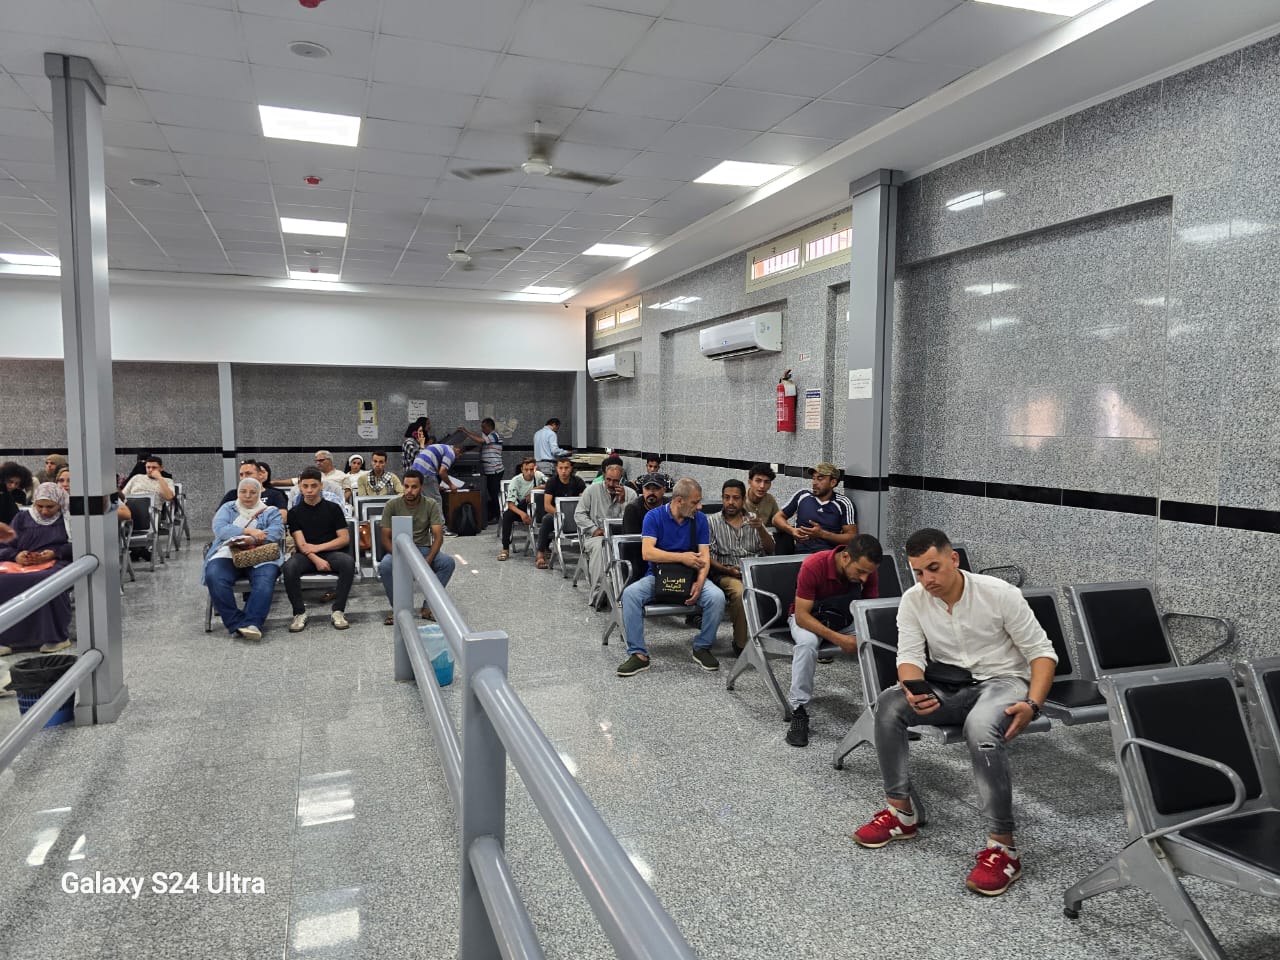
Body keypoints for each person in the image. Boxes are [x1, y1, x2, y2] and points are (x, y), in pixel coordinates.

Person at [851, 528, 1057, 898]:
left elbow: (1042, 654)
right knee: (889, 703)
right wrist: (913, 689)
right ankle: (901, 813)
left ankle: (1004, 848)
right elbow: (909, 657)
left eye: (933, 568)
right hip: (949, 684)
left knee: (981, 728)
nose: (926, 580)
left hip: (1003, 682)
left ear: (953, 559)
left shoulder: (999, 594)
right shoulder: (914, 600)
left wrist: (1032, 704)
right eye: (918, 572)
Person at [616, 478, 725, 678]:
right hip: (658, 576)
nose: (699, 507)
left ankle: (702, 647)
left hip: (691, 577)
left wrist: (700, 583)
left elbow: (704, 557)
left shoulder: (699, 519)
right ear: (679, 500)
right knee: (630, 594)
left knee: (716, 597)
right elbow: (647, 553)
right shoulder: (653, 517)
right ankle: (638, 654)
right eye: (695, 502)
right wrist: (682, 557)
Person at [784, 534, 883, 748]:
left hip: (843, 618)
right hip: (810, 619)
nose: (865, 579)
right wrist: (841, 639)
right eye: (861, 572)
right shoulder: (814, 565)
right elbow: (801, 616)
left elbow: (869, 612)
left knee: (881, 638)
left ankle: (886, 711)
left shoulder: (868, 570)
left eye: (869, 573)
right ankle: (798, 710)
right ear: (846, 557)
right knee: (807, 644)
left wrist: (867, 635)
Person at [203, 477, 285, 641]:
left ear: (259, 493)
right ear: (238, 492)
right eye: (243, 491)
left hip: (261, 554)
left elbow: (276, 532)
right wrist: (248, 531)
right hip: (227, 552)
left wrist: (252, 541)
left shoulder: (270, 511)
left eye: (252, 492)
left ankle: (253, 623)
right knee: (214, 575)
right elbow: (220, 529)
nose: (247, 496)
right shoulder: (228, 508)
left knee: (265, 579)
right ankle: (236, 623)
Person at [0, 483, 74, 654]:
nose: (44, 511)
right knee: (3, 580)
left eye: (50, 507)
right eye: (39, 506)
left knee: (45, 581)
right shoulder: (22, 518)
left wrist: (55, 552)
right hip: (22, 563)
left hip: (58, 562)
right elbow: (5, 545)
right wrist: (16, 555)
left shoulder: (68, 519)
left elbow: (79, 546)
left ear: (59, 504)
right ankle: (4, 637)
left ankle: (55, 637)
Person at [282, 467, 355, 632]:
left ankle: (338, 611)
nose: (309, 490)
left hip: (331, 552)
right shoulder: (294, 512)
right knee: (289, 567)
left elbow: (344, 539)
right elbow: (301, 544)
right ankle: (299, 612)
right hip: (306, 556)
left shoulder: (333, 508)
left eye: (313, 486)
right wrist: (316, 559)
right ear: (300, 487)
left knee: (347, 563)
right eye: (305, 486)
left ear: (321, 486)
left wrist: (318, 548)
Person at [377, 470, 455, 623]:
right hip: (399, 550)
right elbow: (385, 538)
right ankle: (398, 608)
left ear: (421, 487)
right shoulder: (392, 505)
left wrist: (428, 560)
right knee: (385, 566)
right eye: (406, 486)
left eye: (414, 487)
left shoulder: (430, 504)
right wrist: (399, 557)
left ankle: (428, 607)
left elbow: (438, 537)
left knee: (448, 563)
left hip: (422, 549)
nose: (409, 491)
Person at [708, 479, 775, 657]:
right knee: (740, 593)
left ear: (743, 499)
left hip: (753, 573)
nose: (730, 502)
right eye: (727, 497)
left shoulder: (753, 520)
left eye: (735, 498)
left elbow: (770, 548)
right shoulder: (712, 522)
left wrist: (761, 530)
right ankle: (740, 645)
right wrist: (728, 570)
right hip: (726, 572)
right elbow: (708, 556)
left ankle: (774, 637)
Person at [574, 456, 635, 606]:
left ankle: (629, 593)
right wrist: (594, 529)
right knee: (602, 545)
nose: (611, 484)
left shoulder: (631, 494)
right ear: (604, 477)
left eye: (615, 481)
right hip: (596, 537)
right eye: (608, 480)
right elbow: (579, 514)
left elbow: (632, 522)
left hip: (621, 538)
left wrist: (623, 503)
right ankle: (598, 593)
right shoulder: (591, 490)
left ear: (622, 480)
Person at [772, 462, 855, 554]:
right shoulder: (803, 495)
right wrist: (791, 530)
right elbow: (776, 518)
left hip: (828, 556)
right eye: (813, 478)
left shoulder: (843, 503)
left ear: (833, 482)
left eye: (820, 479)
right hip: (800, 555)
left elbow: (852, 538)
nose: (814, 483)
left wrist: (822, 534)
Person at [534, 455, 584, 570]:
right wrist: (562, 514)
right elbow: (547, 505)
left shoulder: (578, 482)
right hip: (556, 514)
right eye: (561, 468)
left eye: (566, 468)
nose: (563, 471)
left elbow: (584, 501)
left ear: (571, 469)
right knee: (547, 519)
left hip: (575, 515)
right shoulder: (552, 482)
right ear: (557, 469)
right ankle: (540, 554)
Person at [497, 457, 544, 561]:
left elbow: (550, 485)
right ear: (522, 469)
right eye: (526, 470)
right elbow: (510, 504)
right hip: (521, 508)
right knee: (507, 515)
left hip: (537, 509)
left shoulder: (539, 476)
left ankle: (546, 548)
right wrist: (522, 514)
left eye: (531, 469)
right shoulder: (515, 481)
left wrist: (534, 490)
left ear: (535, 469)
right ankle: (505, 548)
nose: (529, 472)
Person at [459, 418, 504, 521]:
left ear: (490, 427)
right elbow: (479, 448)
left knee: (494, 494)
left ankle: (498, 516)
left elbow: (481, 440)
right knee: (490, 494)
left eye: (483, 427)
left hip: (495, 470)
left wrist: (466, 432)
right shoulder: (488, 439)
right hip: (489, 471)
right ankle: (493, 515)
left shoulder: (494, 435)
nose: (482, 429)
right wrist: (463, 453)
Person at [412, 440, 465, 505]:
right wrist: (451, 485)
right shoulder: (450, 453)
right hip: (426, 471)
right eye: (459, 456)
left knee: (423, 501)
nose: (457, 458)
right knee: (436, 501)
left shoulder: (443, 447)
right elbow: (442, 472)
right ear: (457, 450)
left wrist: (436, 486)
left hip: (415, 469)